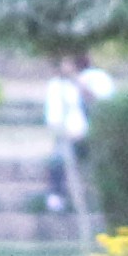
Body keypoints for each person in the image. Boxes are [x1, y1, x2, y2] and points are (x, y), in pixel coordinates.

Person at [36, 59, 95, 229]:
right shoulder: (56, 86)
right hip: (66, 133)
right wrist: (62, 131)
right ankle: (56, 196)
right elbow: (53, 113)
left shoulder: (83, 81)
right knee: (59, 161)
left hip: (83, 132)